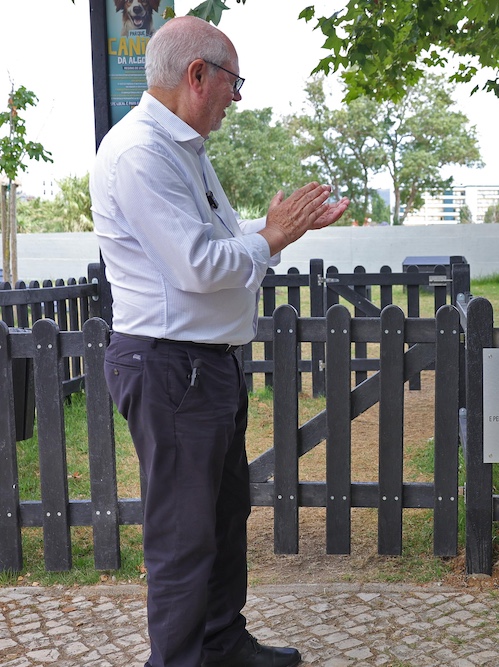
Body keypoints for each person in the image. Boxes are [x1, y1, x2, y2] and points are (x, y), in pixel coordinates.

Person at [91, 17, 350, 667]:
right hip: (171, 366)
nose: (238, 96)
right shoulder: (139, 153)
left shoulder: (184, 150)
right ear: (197, 75)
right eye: (234, 81)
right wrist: (274, 237)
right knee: (183, 536)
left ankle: (221, 641)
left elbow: (223, 248)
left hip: (205, 365)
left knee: (221, 517)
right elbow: (199, 265)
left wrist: (273, 230)